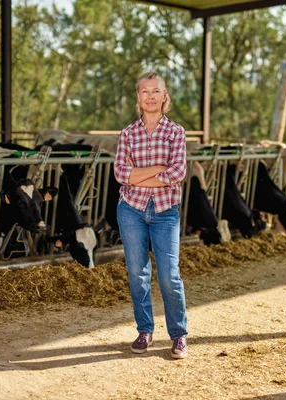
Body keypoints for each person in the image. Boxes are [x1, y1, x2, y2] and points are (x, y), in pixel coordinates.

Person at [113, 72, 188, 359]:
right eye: (145, 91)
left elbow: (178, 172)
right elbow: (121, 174)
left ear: (164, 96)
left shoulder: (175, 132)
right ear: (138, 98)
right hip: (131, 209)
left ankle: (179, 335)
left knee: (169, 274)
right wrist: (159, 169)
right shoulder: (128, 133)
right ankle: (145, 330)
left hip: (165, 211)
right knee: (138, 274)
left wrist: (137, 176)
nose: (151, 96)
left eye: (156, 91)